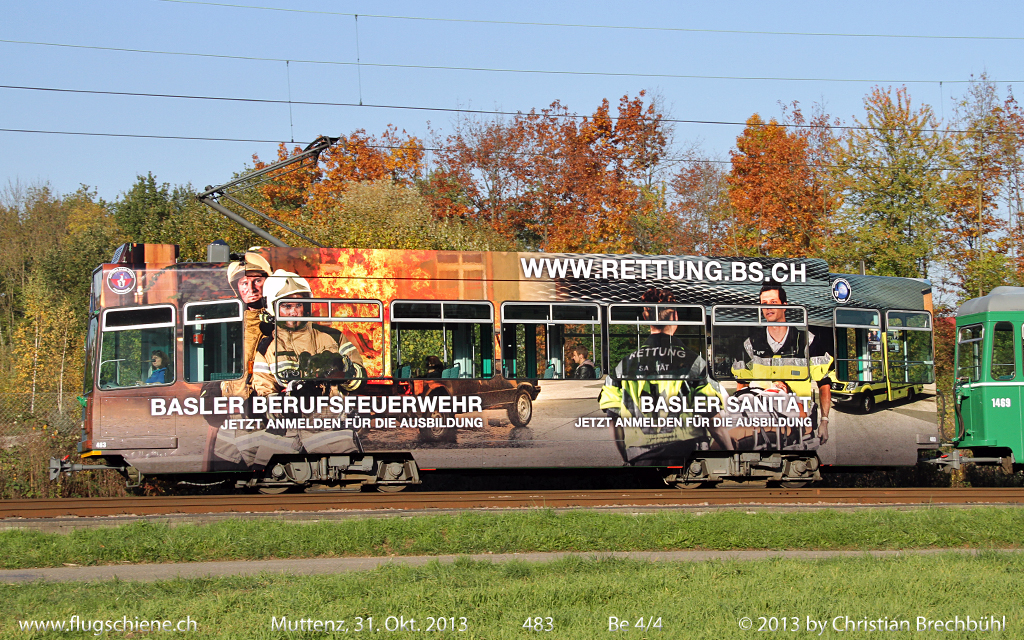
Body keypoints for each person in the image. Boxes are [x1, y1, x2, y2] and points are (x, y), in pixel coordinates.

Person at [599, 287, 732, 466]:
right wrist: (731, 452)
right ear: (675, 316)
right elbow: (711, 416)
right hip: (688, 453)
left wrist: (627, 457)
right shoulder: (695, 363)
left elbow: (614, 422)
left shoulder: (623, 366)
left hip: (641, 455)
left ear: (646, 318)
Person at [731, 282, 833, 445]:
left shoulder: (808, 341)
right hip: (760, 424)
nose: (768, 308)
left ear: (784, 306)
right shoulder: (750, 344)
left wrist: (824, 422)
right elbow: (741, 385)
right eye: (764, 304)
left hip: (799, 427)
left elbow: (824, 383)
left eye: (773, 302)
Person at [220, 251, 274, 399]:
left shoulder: (282, 321)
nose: (251, 289)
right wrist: (210, 388)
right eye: (244, 283)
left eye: (257, 281)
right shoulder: (228, 324)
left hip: (267, 404)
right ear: (236, 288)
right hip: (234, 404)